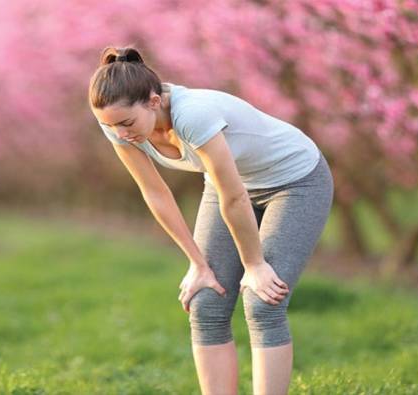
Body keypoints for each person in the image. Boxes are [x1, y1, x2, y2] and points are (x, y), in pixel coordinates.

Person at [88, 47, 334, 395]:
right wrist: (197, 264)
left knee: (263, 301)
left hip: (295, 181)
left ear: (154, 102)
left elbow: (235, 197)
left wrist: (255, 264)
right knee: (205, 302)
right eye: (108, 125)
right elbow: (156, 194)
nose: (120, 133)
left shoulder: (194, 115)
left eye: (126, 123)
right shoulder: (119, 125)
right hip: (226, 185)